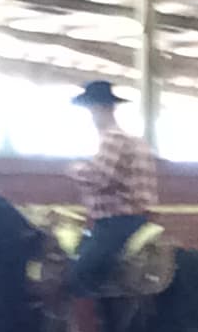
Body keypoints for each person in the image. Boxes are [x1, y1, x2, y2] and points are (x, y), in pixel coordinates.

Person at [65, 80, 159, 296]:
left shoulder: (113, 139)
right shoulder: (137, 141)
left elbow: (101, 177)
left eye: (90, 109)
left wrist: (76, 169)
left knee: (80, 272)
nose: (90, 116)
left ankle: (93, 326)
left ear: (100, 108)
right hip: (137, 220)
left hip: (116, 223)